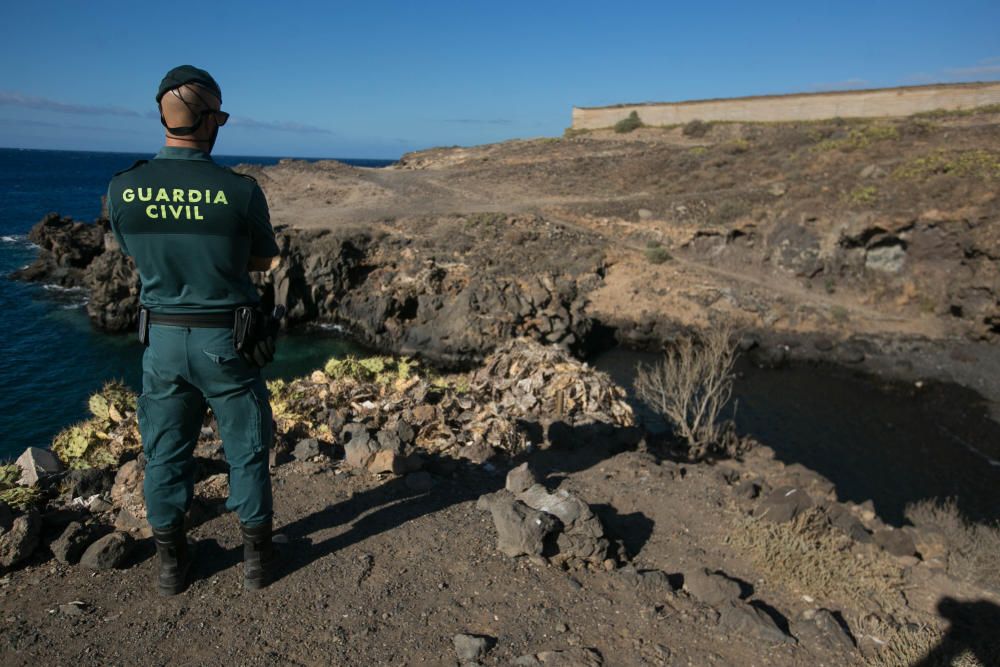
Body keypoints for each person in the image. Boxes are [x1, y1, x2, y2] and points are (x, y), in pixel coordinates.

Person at [106, 65, 281, 595]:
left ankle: (170, 566)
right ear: (207, 120)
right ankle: (255, 564)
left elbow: (133, 252)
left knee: (164, 452)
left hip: (160, 340)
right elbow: (261, 262)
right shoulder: (240, 191)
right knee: (246, 448)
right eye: (221, 117)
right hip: (226, 339)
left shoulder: (123, 188)